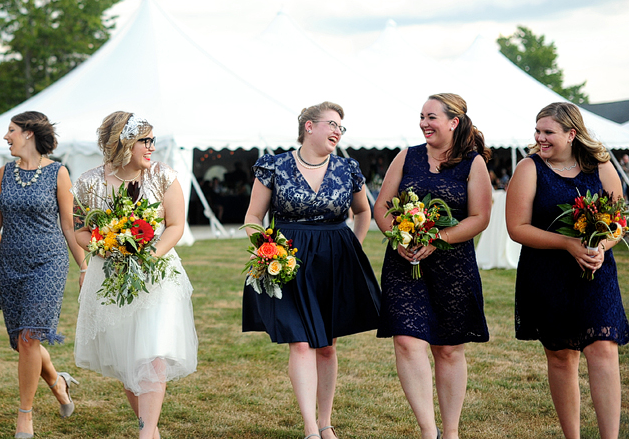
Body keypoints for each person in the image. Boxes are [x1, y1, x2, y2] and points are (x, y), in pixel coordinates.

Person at [241, 101, 381, 439]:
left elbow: (364, 212)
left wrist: (354, 246)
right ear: (309, 126)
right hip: (287, 261)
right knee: (300, 342)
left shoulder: (348, 168)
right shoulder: (274, 166)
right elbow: (252, 218)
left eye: (341, 127)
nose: (337, 131)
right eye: (332, 124)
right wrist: (267, 249)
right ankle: (309, 428)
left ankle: (325, 422)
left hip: (335, 259)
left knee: (327, 345)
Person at [505, 102, 628, 439]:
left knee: (603, 348)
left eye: (548, 132)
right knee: (562, 357)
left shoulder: (600, 167)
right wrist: (567, 244)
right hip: (548, 274)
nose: (539, 138)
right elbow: (516, 227)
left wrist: (600, 247)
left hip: (596, 272)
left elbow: (619, 222)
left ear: (572, 134)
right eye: (537, 131)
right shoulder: (530, 169)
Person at [374, 93, 492, 439]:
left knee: (448, 347)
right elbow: (382, 206)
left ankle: (451, 432)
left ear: (454, 122)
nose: (424, 123)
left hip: (453, 266)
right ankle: (429, 431)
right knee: (407, 341)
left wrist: (437, 239)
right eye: (421, 117)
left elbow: (480, 217)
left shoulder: (473, 163)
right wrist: (399, 239)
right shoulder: (406, 156)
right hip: (404, 262)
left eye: (432, 117)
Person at [73, 112, 198, 439]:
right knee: (128, 359)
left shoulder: (163, 176)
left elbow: (175, 225)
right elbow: (80, 231)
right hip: (112, 276)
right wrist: (107, 246)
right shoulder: (89, 183)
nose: (151, 147)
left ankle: (145, 434)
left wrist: (148, 256)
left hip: (158, 275)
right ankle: (151, 430)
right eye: (145, 140)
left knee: (152, 353)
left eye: (152, 140)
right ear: (123, 143)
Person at [0, 111, 85, 439]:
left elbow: (68, 224)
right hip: (11, 265)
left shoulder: (59, 173)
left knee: (30, 337)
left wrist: (84, 266)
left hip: (48, 264)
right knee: (23, 343)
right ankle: (57, 382)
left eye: (11, 131)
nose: (6, 137)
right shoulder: (4, 172)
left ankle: (25, 416)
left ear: (29, 134)